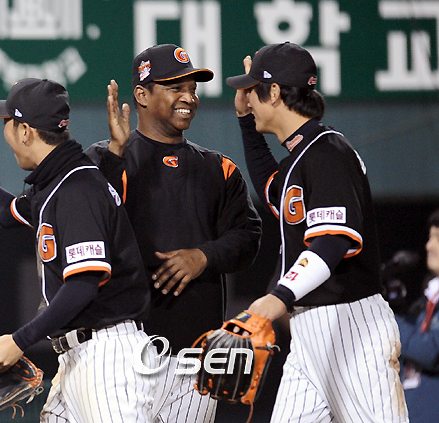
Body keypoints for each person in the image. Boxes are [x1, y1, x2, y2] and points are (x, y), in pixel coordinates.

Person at [0, 79, 157, 423]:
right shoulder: (59, 181)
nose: (5, 132)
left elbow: (83, 285)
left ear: (25, 131)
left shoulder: (77, 188)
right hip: (79, 355)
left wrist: (20, 340)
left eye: (7, 122)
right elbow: (6, 211)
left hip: (108, 358)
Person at [226, 42, 408, 423]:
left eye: (253, 90)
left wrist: (278, 296)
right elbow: (273, 191)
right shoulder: (303, 155)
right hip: (308, 333)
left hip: (352, 329)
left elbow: (332, 241)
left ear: (274, 92)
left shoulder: (329, 153)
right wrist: (245, 122)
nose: (247, 98)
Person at [86, 44, 262, 423]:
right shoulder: (104, 159)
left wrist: (204, 256)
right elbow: (87, 228)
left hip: (195, 355)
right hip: (124, 351)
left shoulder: (218, 168)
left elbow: (248, 236)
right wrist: (115, 156)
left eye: (192, 89)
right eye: (175, 88)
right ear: (142, 95)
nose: (189, 98)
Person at [395, 208, 439, 423]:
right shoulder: (429, 297)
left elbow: (430, 351)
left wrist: (389, 321)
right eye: (430, 237)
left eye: (437, 238)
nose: (428, 246)